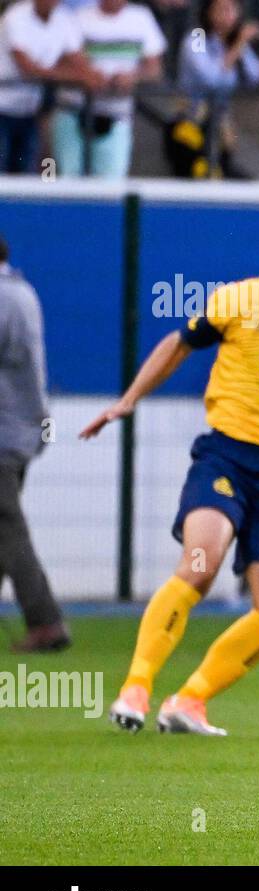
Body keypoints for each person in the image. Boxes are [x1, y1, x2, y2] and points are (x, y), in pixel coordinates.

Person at [81, 201, 259, 736]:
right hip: (229, 457)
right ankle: (136, 686)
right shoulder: (238, 301)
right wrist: (129, 400)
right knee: (200, 562)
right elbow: (178, 344)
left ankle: (189, 702)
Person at [0, 234, 71, 653]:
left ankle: (46, 622)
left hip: (4, 433)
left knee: (8, 526)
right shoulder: (22, 293)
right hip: (22, 430)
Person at [171, 0, 259, 179]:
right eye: (221, 9)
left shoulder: (234, 43)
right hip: (190, 124)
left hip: (219, 125)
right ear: (208, 13)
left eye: (232, 10)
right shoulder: (197, 36)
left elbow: (255, 78)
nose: (227, 15)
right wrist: (238, 45)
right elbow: (209, 78)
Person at [52, 0, 165, 178]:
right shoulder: (78, 18)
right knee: (68, 181)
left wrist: (132, 77)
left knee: (111, 185)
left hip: (116, 114)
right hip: (74, 111)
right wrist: (86, 75)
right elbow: (59, 61)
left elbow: (155, 69)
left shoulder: (141, 18)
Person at [0, 0, 98, 173]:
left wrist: (91, 75)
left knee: (27, 175)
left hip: (30, 110)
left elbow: (80, 61)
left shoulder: (64, 19)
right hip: (3, 108)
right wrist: (76, 76)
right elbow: (28, 69)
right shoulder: (15, 17)